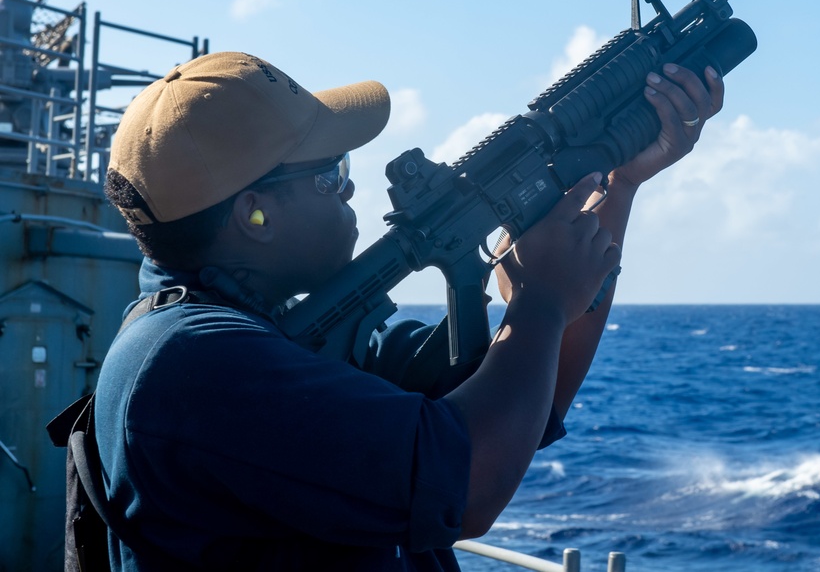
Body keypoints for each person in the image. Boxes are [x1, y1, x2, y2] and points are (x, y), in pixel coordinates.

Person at [95, 50, 723, 570]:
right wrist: (540, 299)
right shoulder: (194, 365)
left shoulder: (277, 340)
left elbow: (525, 405)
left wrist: (616, 186)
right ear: (253, 216)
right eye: (331, 174)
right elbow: (468, 487)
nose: (349, 188)